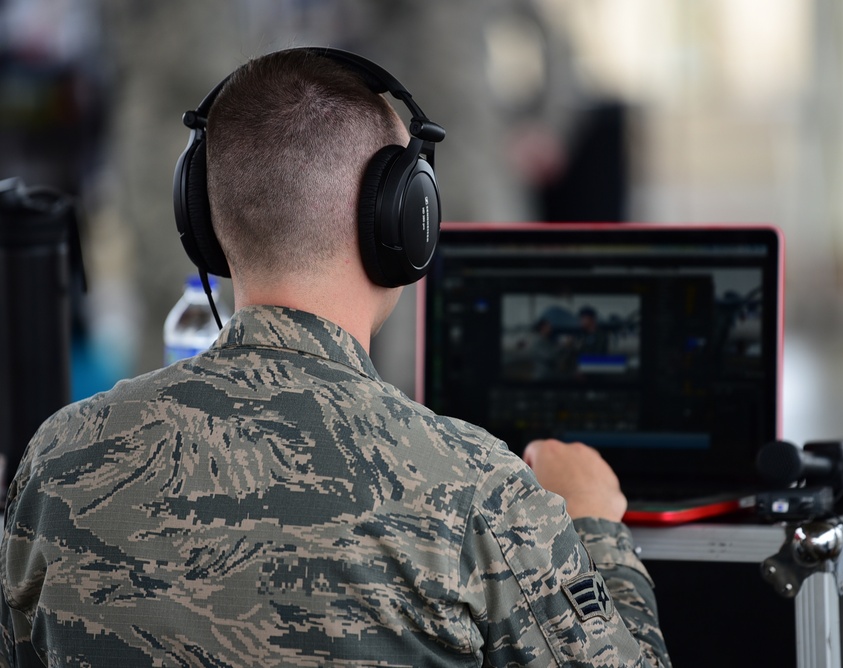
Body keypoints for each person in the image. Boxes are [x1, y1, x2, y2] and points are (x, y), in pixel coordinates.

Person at [0, 48, 670, 667]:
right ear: (405, 224)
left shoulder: (59, 461)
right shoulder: (476, 492)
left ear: (202, 220)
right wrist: (592, 525)